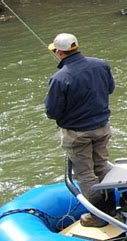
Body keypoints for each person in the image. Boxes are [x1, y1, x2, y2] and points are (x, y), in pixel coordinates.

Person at [44, 33, 115, 227]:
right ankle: (112, 207)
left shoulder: (59, 78)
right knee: (101, 166)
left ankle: (100, 217)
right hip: (102, 128)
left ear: (59, 52)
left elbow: (52, 111)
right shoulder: (101, 64)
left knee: (85, 175)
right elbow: (110, 89)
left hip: (77, 134)